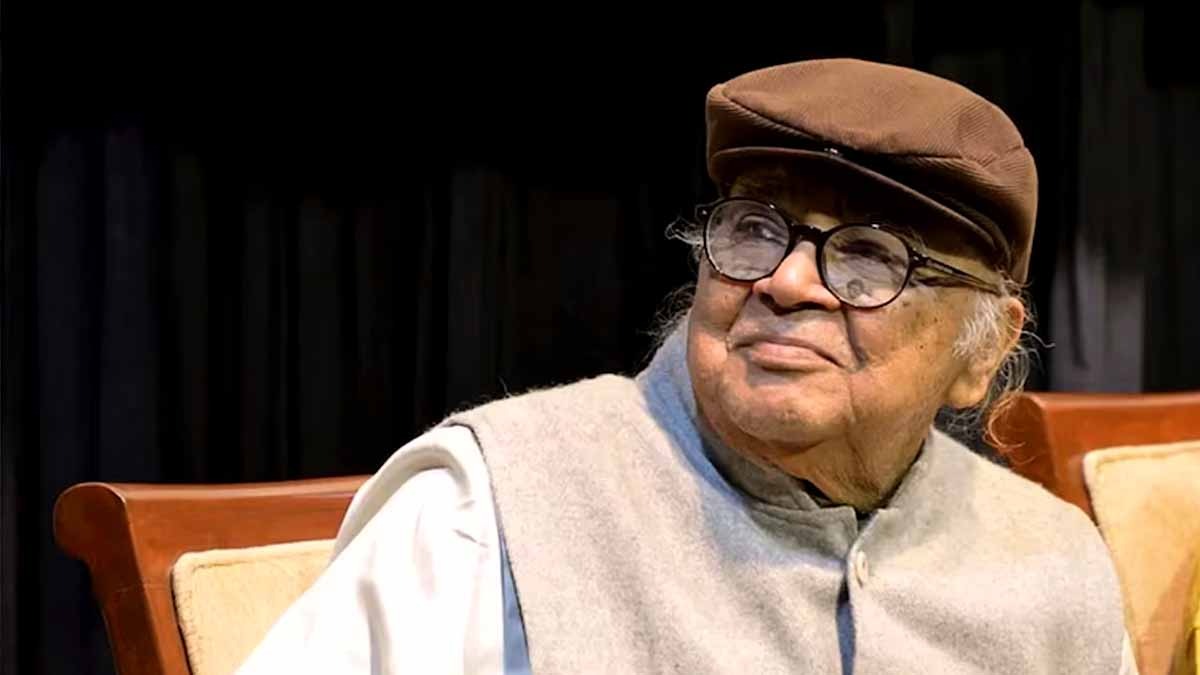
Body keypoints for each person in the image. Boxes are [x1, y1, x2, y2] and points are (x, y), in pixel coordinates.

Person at [238, 58, 1136, 674]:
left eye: (870, 257)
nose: (787, 281)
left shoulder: (1056, 564)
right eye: (755, 227)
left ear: (983, 350)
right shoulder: (487, 512)